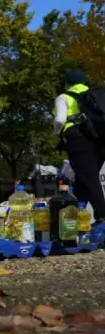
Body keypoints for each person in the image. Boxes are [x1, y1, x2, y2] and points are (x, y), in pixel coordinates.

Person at [53, 69, 105, 222]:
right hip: (100, 141)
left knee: (90, 180)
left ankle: (102, 219)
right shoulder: (96, 95)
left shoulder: (64, 97)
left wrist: (57, 132)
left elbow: (60, 119)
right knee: (82, 182)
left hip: (78, 141)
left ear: (67, 83)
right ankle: (71, 221)